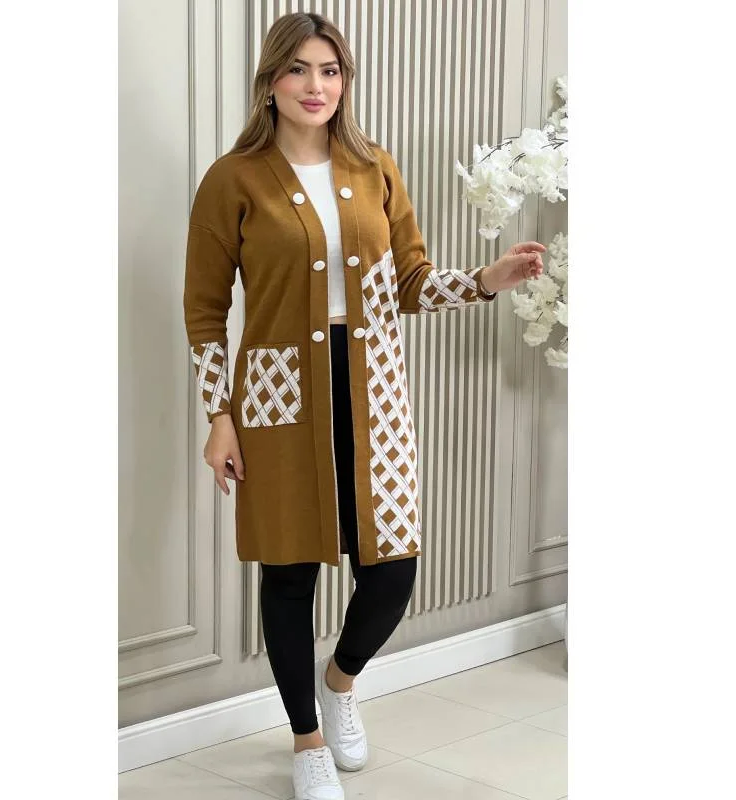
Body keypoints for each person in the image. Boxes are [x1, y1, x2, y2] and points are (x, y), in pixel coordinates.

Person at [183, 12, 544, 800]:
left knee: (392, 568)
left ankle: (339, 683)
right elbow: (206, 311)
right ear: (270, 82)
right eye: (298, 69)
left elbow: (409, 282)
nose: (315, 86)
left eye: (330, 70)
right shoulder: (234, 178)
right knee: (288, 573)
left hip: (374, 389)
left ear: (345, 82)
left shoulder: (374, 166)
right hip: (279, 397)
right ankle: (306, 743)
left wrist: (485, 281)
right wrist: (219, 415)